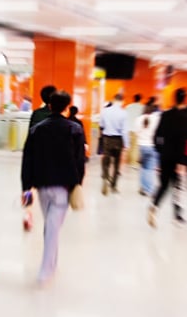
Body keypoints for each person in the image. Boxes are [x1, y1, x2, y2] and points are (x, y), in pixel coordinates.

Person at [21, 90, 86, 284]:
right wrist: (77, 183)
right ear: (67, 108)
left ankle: (51, 263)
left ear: (49, 106)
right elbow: (80, 160)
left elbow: (28, 159)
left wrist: (26, 186)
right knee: (52, 227)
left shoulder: (37, 129)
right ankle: (45, 270)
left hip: (42, 184)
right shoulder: (74, 129)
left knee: (51, 225)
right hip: (64, 186)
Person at [148, 88, 187, 228]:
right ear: (185, 99)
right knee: (178, 188)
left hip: (165, 157)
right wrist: (184, 161)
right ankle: (177, 216)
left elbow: (157, 136)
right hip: (179, 159)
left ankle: (154, 207)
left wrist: (161, 151)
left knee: (163, 185)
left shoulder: (165, 115)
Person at [98, 94, 129, 195]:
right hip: (118, 140)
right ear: (122, 101)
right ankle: (114, 186)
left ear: (113, 100)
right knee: (116, 164)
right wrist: (126, 144)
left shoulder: (105, 111)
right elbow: (124, 130)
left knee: (106, 161)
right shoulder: (124, 113)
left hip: (107, 138)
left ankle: (106, 178)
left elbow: (101, 125)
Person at [136, 104, 160, 197]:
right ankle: (149, 190)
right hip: (152, 146)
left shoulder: (139, 119)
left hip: (142, 146)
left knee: (143, 168)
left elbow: (137, 132)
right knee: (149, 169)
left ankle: (143, 188)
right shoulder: (156, 119)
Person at [125, 94, 144, 167]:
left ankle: (128, 160)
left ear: (133, 99)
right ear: (140, 99)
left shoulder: (128, 107)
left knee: (129, 145)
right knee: (135, 147)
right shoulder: (142, 107)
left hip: (128, 129)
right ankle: (133, 162)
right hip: (137, 130)